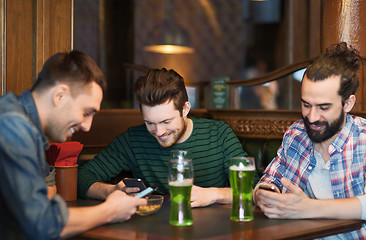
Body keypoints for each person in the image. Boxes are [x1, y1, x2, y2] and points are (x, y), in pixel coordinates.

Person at [0, 50, 146, 240]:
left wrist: (110, 193)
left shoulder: (24, 124)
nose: (87, 126)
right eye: (86, 112)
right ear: (60, 95)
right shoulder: (13, 126)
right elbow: (43, 224)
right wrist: (110, 211)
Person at [78, 68, 246, 207]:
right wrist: (112, 191)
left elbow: (252, 189)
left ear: (185, 109)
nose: (159, 132)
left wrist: (215, 195)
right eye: (149, 123)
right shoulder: (133, 140)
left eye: (166, 121)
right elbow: (81, 178)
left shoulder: (219, 134)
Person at [254, 42, 366, 238]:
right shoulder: (296, 134)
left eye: (324, 107)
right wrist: (264, 194)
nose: (312, 117)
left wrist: (309, 208)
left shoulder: (363, 140)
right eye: (306, 104)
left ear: (348, 103)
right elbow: (269, 181)